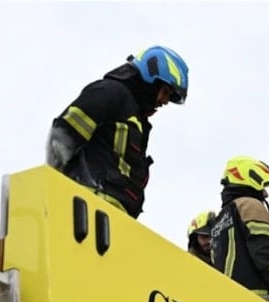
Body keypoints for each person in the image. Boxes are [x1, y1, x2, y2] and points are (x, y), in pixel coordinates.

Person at [46, 45, 189, 218]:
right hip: (91, 208)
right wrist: (56, 189)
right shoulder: (110, 92)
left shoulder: (137, 121)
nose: (165, 101)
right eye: (165, 91)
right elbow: (63, 135)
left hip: (116, 218)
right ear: (151, 78)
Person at [211, 156, 269, 297]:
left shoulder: (220, 219)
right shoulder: (250, 205)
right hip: (256, 297)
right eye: (263, 186)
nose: (266, 194)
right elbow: (264, 250)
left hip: (225, 296)